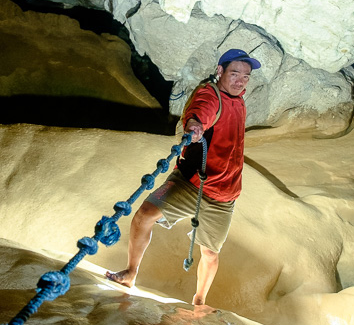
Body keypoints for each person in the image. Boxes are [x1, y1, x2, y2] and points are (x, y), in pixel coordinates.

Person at [106, 48, 260, 306]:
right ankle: (130, 273)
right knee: (144, 215)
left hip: (224, 195)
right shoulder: (211, 94)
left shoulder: (240, 101)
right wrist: (195, 126)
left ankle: (199, 300)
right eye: (234, 73)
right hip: (191, 182)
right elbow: (201, 111)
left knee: (210, 253)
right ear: (220, 71)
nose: (240, 80)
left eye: (245, 76)